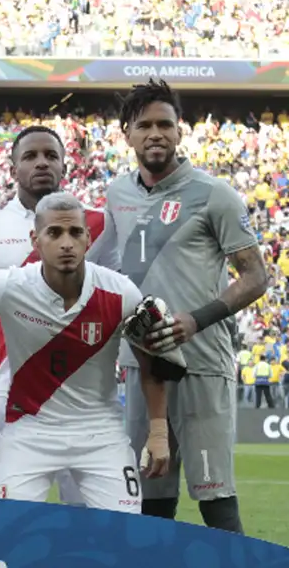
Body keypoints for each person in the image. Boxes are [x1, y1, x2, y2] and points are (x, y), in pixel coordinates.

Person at [105, 79, 269, 532]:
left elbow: (256, 276)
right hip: (141, 368)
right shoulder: (117, 194)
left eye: (165, 124)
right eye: (144, 126)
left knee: (215, 499)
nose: (155, 133)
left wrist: (196, 320)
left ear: (180, 131)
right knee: (150, 500)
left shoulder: (214, 194)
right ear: (127, 134)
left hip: (202, 365)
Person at [0, 192, 170, 510]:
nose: (66, 243)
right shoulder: (8, 286)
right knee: (8, 529)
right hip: (29, 432)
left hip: (100, 433)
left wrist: (158, 431)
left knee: (126, 530)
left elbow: (151, 362)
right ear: (35, 240)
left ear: (88, 238)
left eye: (75, 233)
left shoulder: (121, 292)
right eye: (54, 233)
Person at [0, 125, 116, 503]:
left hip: (80, 383)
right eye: (30, 156)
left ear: (65, 165)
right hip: (8, 375)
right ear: (12, 168)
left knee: (83, 510)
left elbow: (116, 289)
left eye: (51, 156)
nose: (41, 163)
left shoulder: (99, 224)